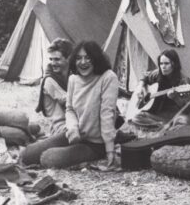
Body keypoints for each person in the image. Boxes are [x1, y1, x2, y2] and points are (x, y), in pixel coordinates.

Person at [21, 41, 119, 169]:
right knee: (28, 154)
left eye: (88, 57)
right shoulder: (73, 79)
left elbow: (107, 114)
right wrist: (73, 128)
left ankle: (95, 153)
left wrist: (110, 150)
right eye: (79, 58)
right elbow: (70, 108)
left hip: (96, 143)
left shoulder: (108, 77)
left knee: (48, 158)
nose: (83, 62)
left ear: (96, 58)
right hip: (75, 134)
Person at [130, 49, 190, 129]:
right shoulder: (158, 74)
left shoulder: (184, 81)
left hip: (176, 115)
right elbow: (145, 77)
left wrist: (175, 98)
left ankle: (162, 127)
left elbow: (189, 108)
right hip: (159, 114)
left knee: (185, 121)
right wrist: (140, 87)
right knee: (136, 117)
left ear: (174, 64)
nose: (163, 67)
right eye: (161, 64)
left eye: (166, 63)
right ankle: (165, 127)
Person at [35, 38, 74, 135]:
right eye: (51, 59)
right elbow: (70, 101)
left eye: (57, 59)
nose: (53, 63)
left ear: (68, 58)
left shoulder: (71, 74)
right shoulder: (49, 80)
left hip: (72, 121)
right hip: (61, 127)